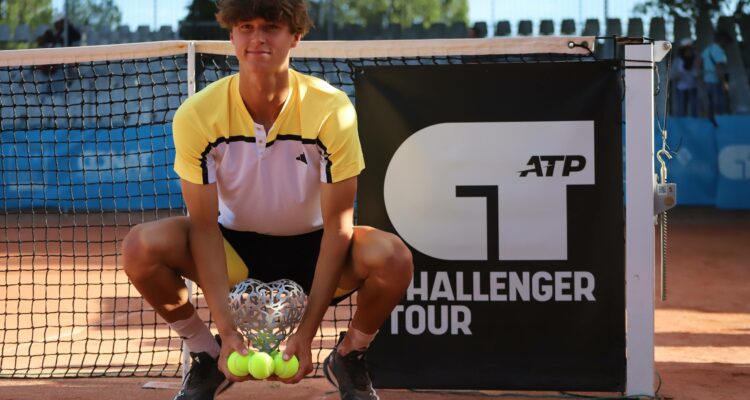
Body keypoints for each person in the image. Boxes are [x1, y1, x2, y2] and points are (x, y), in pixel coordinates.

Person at [121, 0, 413, 399]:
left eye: (271, 27)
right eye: (245, 26)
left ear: (295, 35)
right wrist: (226, 332)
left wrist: (307, 334)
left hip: (315, 249)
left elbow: (338, 228)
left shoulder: (332, 111)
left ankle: (349, 356)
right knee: (141, 247)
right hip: (231, 251)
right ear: (231, 34)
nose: (256, 37)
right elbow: (204, 227)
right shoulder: (198, 115)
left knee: (393, 258)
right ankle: (207, 356)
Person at [700, 31, 732, 116]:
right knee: (718, 102)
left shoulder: (709, 48)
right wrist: (724, 82)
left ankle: (709, 118)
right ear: (722, 40)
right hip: (716, 81)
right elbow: (719, 67)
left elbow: (699, 61)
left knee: (709, 102)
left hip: (707, 79)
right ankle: (718, 121)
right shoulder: (719, 50)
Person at [672, 38, 699, 117]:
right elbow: (672, 75)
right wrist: (677, 76)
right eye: (687, 50)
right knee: (681, 110)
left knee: (694, 109)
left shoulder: (695, 61)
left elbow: (699, 74)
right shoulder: (677, 61)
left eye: (691, 50)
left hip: (693, 88)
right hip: (681, 89)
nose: (689, 52)